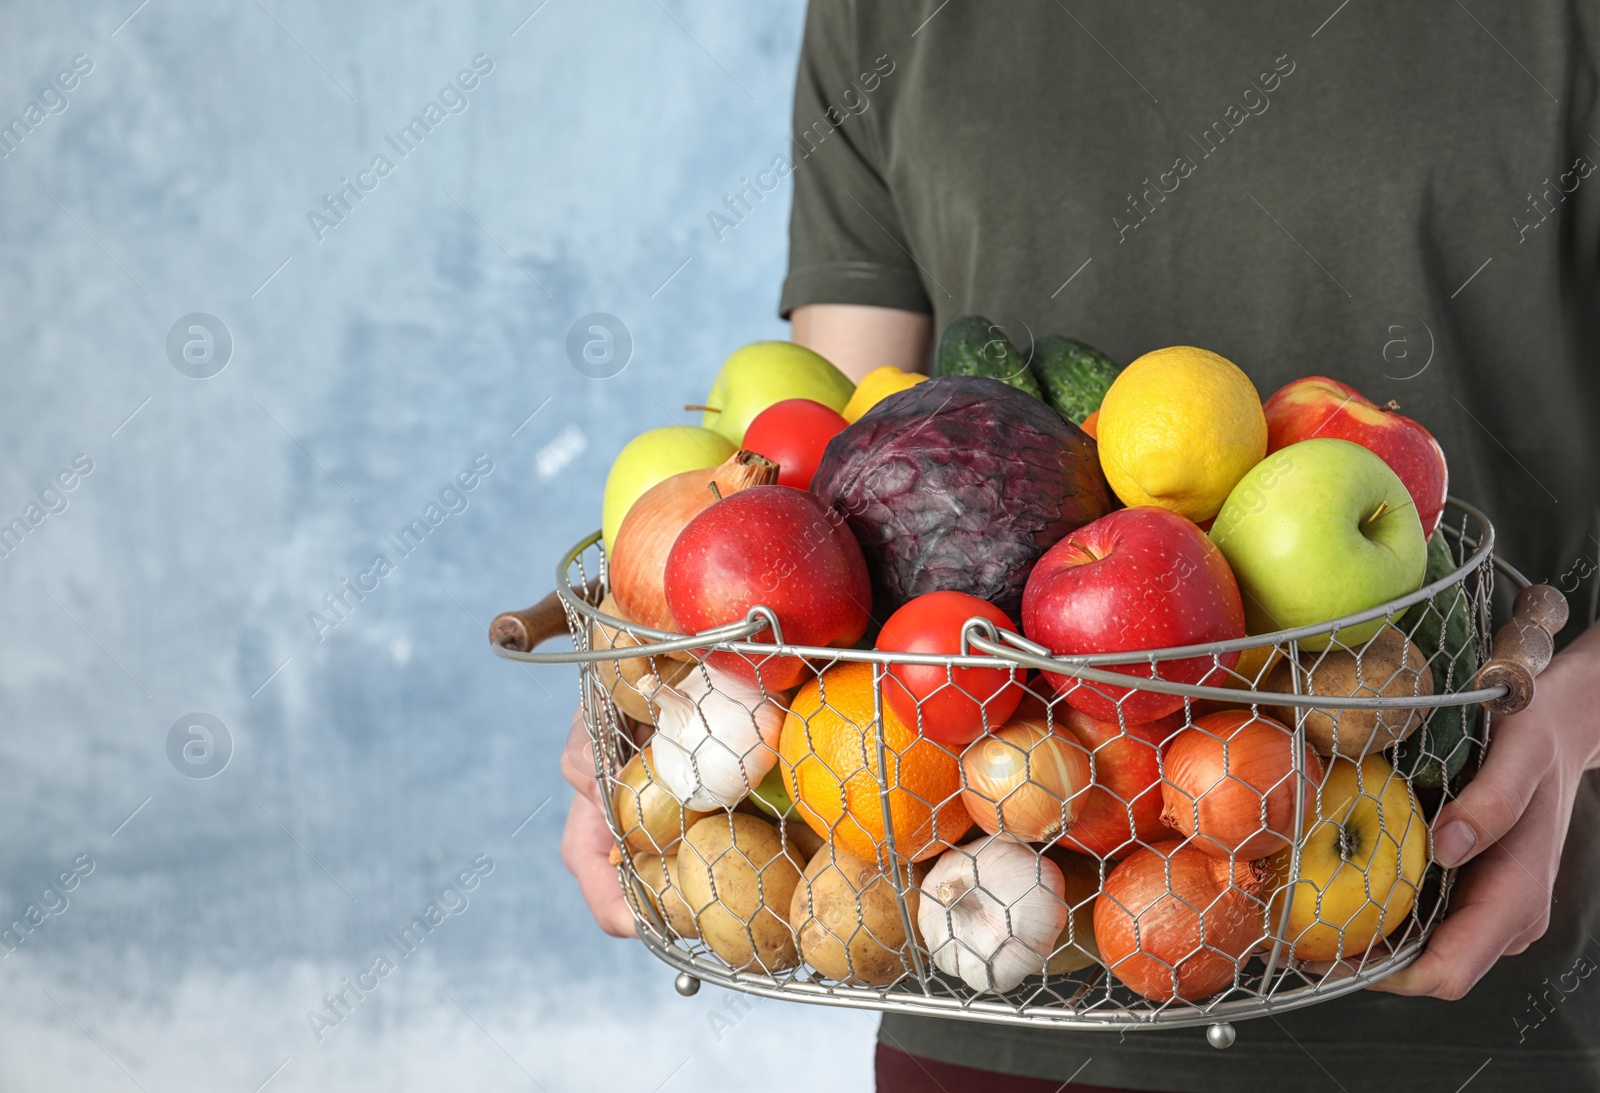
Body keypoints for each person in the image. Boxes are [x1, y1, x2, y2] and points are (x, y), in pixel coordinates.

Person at [564, 2, 1600, 1089]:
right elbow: (820, 462)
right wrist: (661, 682)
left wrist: (1574, 715)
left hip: (1469, 1003)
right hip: (996, 994)